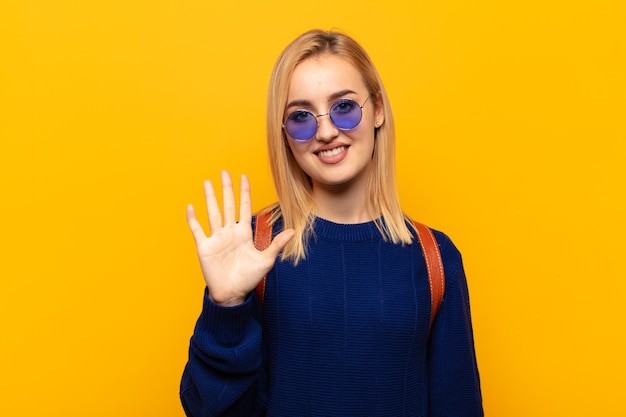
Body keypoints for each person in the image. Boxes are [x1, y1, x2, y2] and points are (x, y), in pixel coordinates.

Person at [180, 29, 483, 417]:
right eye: (301, 117)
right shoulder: (254, 250)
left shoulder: (435, 259)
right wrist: (226, 308)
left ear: (377, 109)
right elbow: (209, 410)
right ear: (285, 135)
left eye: (343, 107)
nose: (325, 131)